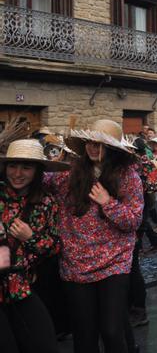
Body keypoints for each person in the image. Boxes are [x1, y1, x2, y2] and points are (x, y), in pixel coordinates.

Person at [47, 119, 143, 353]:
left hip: (114, 262)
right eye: (89, 142)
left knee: (111, 331)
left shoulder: (128, 177)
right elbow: (37, 181)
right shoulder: (69, 175)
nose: (92, 147)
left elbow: (133, 222)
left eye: (99, 143)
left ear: (111, 148)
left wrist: (108, 203)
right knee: (84, 335)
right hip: (76, 264)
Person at [0, 139, 66, 353]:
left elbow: (55, 246)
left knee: (45, 343)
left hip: (20, 285)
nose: (17, 173)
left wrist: (31, 237)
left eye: (26, 167)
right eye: (13, 166)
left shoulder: (46, 202)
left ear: (37, 171)